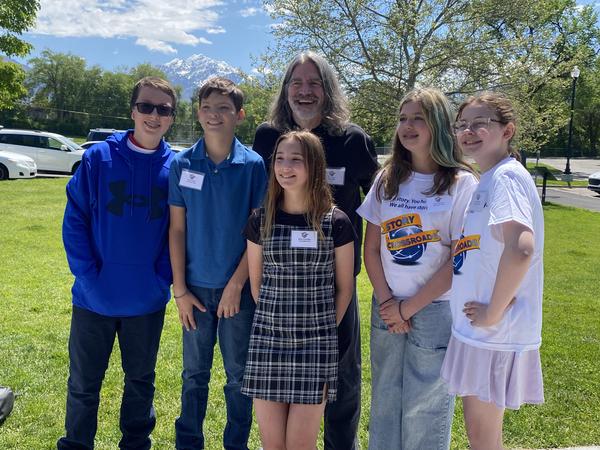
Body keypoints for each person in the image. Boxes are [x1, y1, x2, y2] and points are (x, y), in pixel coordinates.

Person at [252, 51, 379, 449]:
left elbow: (379, 197)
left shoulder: (352, 139)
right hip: (280, 283)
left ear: (327, 90)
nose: (305, 91)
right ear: (285, 90)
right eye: (297, 82)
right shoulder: (268, 137)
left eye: (314, 83)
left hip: (333, 284)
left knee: (342, 378)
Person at [58, 76, 177, 450]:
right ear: (132, 111)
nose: (153, 116)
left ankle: (136, 444)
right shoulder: (98, 158)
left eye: (163, 109)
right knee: (83, 384)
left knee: (140, 381)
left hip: (147, 300)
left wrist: (162, 278)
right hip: (93, 297)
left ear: (172, 118)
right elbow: (75, 218)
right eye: (146, 106)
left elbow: (180, 229)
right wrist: (88, 276)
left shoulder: (176, 167)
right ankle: (77, 444)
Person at [357, 88, 478, 449]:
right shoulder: (388, 178)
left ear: (438, 124)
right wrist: (387, 303)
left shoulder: (461, 183)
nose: (407, 126)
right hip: (387, 306)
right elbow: (372, 248)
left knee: (424, 408)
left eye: (417, 118)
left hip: (435, 310)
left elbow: (459, 258)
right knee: (385, 400)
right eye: (402, 118)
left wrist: (406, 309)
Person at [441, 93, 545, 450]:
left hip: (494, 332)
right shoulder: (488, 178)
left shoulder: (506, 178)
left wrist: (493, 311)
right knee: (482, 435)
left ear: (508, 131)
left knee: (483, 439)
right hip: (480, 332)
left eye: (480, 123)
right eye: (462, 125)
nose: (469, 131)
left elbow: (521, 247)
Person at [168, 77, 267, 450]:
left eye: (224, 108)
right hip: (193, 289)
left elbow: (257, 232)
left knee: (238, 375)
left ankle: (235, 443)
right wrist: (180, 290)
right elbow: (176, 230)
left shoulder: (253, 166)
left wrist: (236, 285)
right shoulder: (182, 164)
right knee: (194, 374)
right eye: (207, 108)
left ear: (239, 115)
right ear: (198, 113)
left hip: (236, 294)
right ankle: (188, 442)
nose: (214, 115)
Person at [242, 130, 355, 449]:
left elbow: (345, 289)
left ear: (315, 166)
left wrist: (320, 329)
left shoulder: (336, 222)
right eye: (279, 159)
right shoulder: (260, 220)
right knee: (272, 446)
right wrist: (278, 324)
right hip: (268, 343)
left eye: (296, 160)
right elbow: (256, 284)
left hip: (315, 348)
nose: (285, 167)